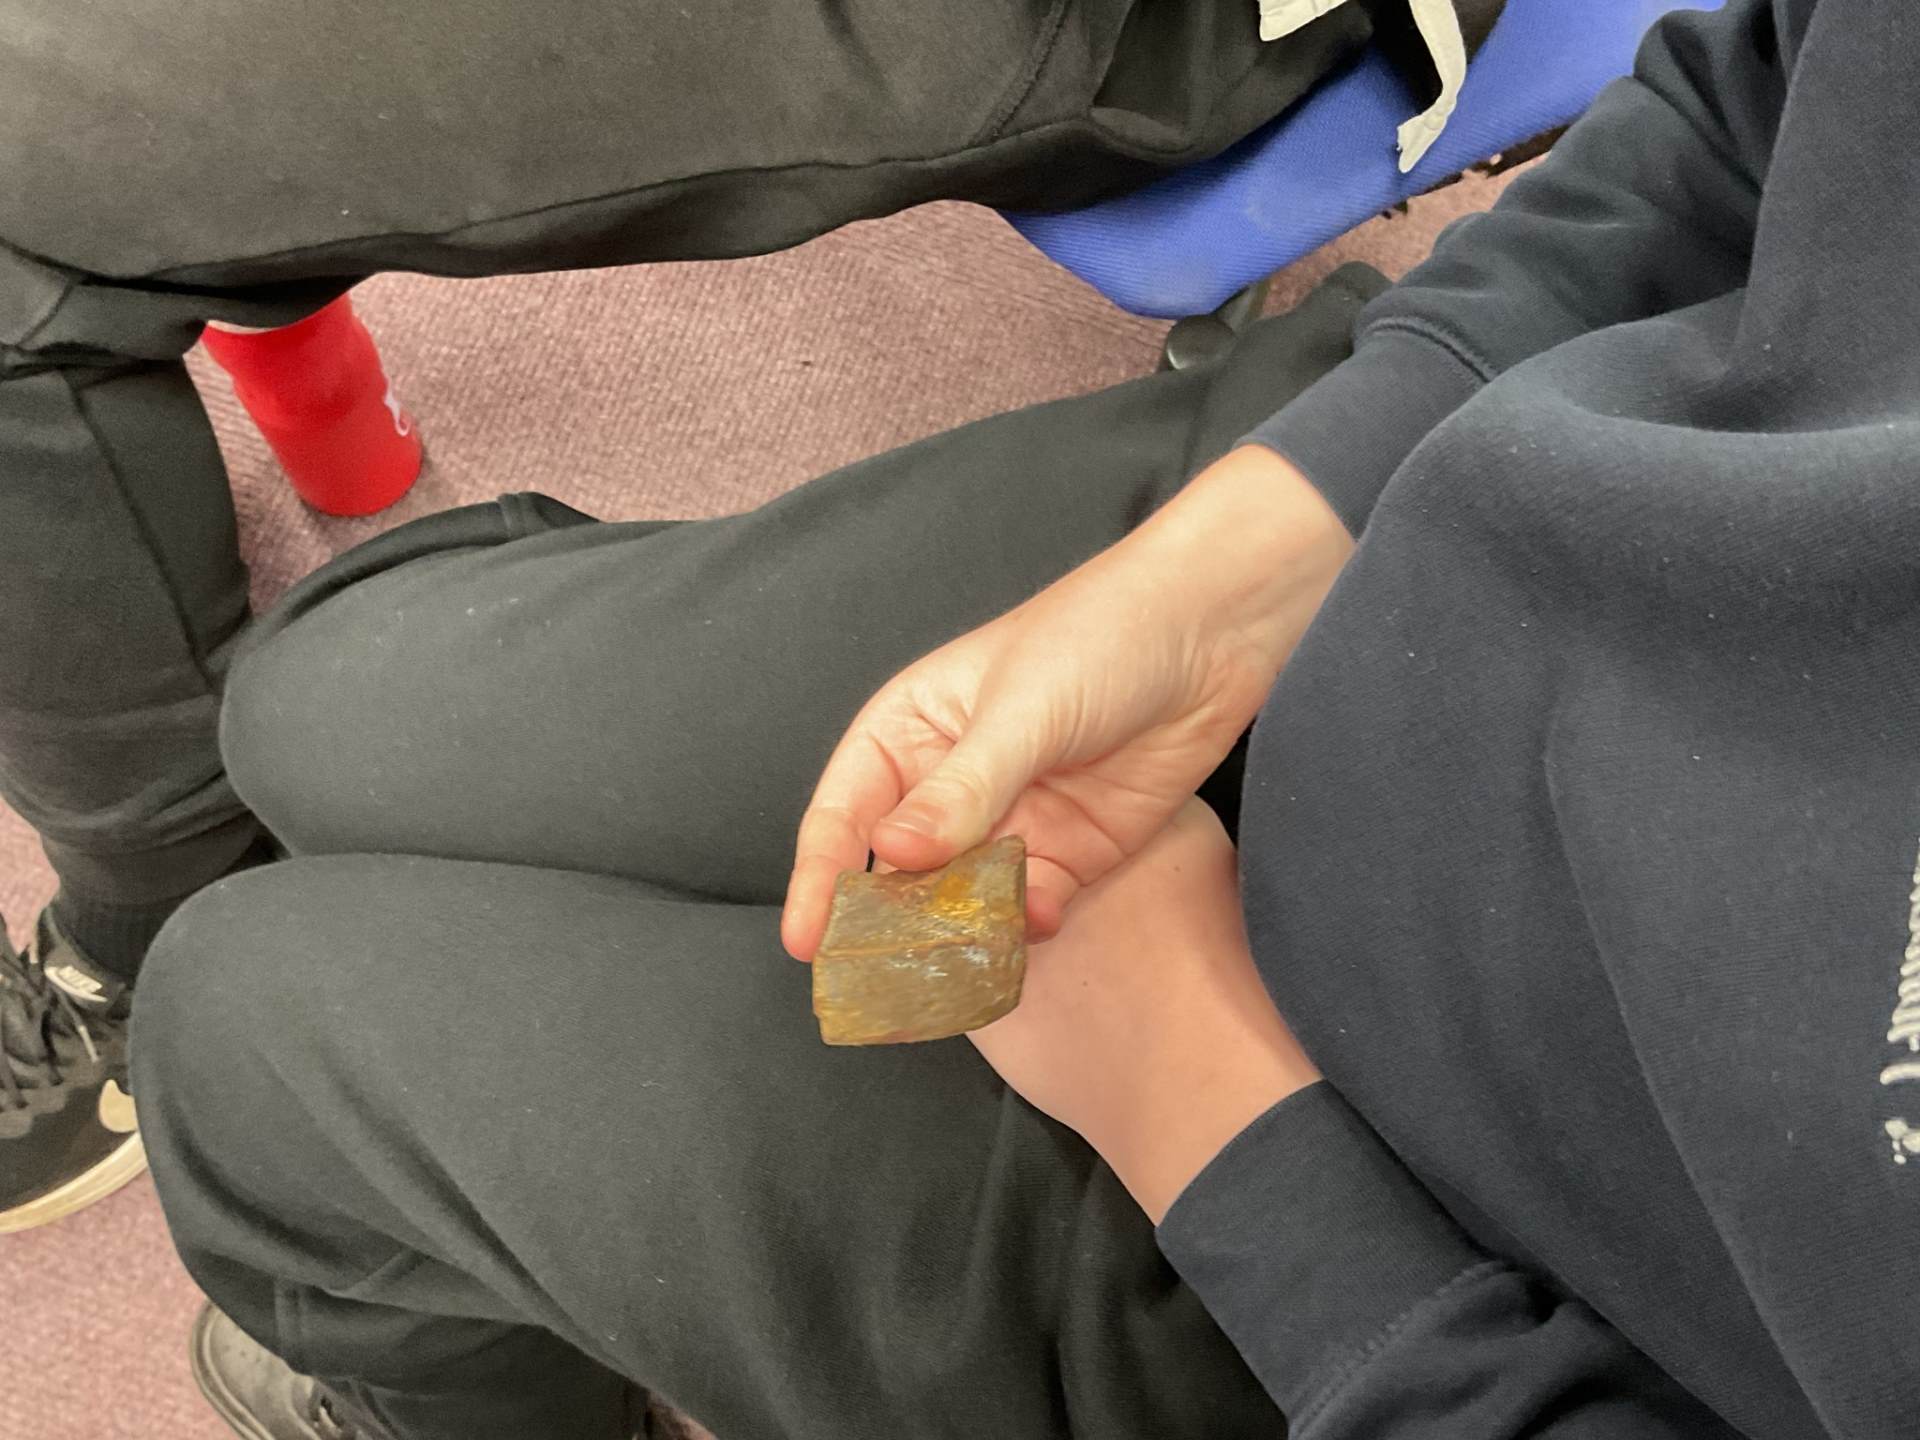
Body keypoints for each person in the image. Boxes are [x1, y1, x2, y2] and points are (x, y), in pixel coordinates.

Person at [128, 0, 1919, 1434]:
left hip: (1379, 1289)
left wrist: (1202, 1109)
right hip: (1397, 531)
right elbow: (1762, 102)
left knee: (232, 1037)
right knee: (307, 700)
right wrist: (1257, 546)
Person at [0, 0, 1503, 1233]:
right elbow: (1639, 196)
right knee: (311, 708)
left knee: (259, 1023)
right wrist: (1308, 502)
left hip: (1409, 1224)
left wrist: (1233, 1151)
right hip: (1447, 468)